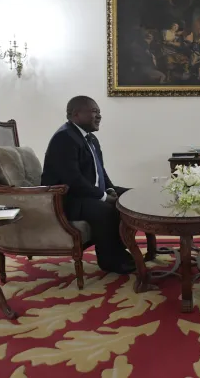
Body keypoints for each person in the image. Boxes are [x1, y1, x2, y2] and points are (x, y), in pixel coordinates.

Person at [41, 96, 135, 274]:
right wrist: (104, 197)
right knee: (106, 210)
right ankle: (110, 261)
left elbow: (100, 171)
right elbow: (72, 179)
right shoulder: (64, 137)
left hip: (87, 193)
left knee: (132, 196)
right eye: (94, 111)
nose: (99, 116)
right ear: (75, 114)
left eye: (99, 112)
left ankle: (121, 251)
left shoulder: (90, 138)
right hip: (67, 199)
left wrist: (111, 189)